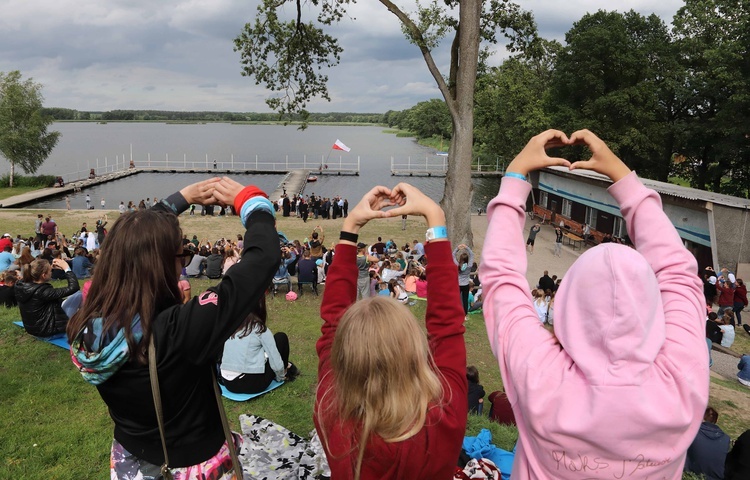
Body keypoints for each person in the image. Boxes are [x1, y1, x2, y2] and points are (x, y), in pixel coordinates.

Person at [480, 130, 708, 478]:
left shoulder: (539, 373)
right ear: (651, 308)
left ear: (566, 307)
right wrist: (626, 181)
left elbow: (501, 279)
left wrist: (514, 176)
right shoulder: (681, 377)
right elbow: (678, 273)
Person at [67, 177, 280, 479]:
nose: (183, 264)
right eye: (182, 256)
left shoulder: (85, 316)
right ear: (161, 264)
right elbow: (262, 259)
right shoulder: (178, 330)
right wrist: (251, 201)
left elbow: (134, 238)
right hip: (189, 463)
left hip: (131, 458)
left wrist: (182, 198)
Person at [314, 184, 467, 479]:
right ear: (414, 352)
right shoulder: (444, 413)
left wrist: (351, 226)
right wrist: (434, 217)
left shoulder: (332, 410)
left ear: (343, 359)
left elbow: (332, 324)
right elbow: (447, 327)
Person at [220, 297, 297, 394]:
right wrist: (280, 377)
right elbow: (276, 362)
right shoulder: (260, 329)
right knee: (281, 338)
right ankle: (286, 371)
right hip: (251, 384)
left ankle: (286, 368)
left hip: (228, 384)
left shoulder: (232, 326)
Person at [16, 258, 81, 336]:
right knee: (78, 295)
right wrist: (66, 268)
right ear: (43, 275)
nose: (51, 273)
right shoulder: (42, 291)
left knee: (71, 299)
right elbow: (74, 287)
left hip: (34, 328)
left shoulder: (21, 285)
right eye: (50, 271)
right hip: (49, 330)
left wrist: (51, 268)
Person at [684, 407, 730, 479]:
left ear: (701, 417)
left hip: (692, 473)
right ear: (715, 421)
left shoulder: (694, 431)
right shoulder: (726, 439)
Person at [454, 244, 475, 315]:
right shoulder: (469, 266)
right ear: (467, 260)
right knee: (465, 299)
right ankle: (465, 314)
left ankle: (455, 311)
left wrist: (457, 248)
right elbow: (472, 254)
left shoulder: (457, 265)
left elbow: (452, 255)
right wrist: (466, 247)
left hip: (458, 284)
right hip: (466, 284)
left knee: (456, 299)